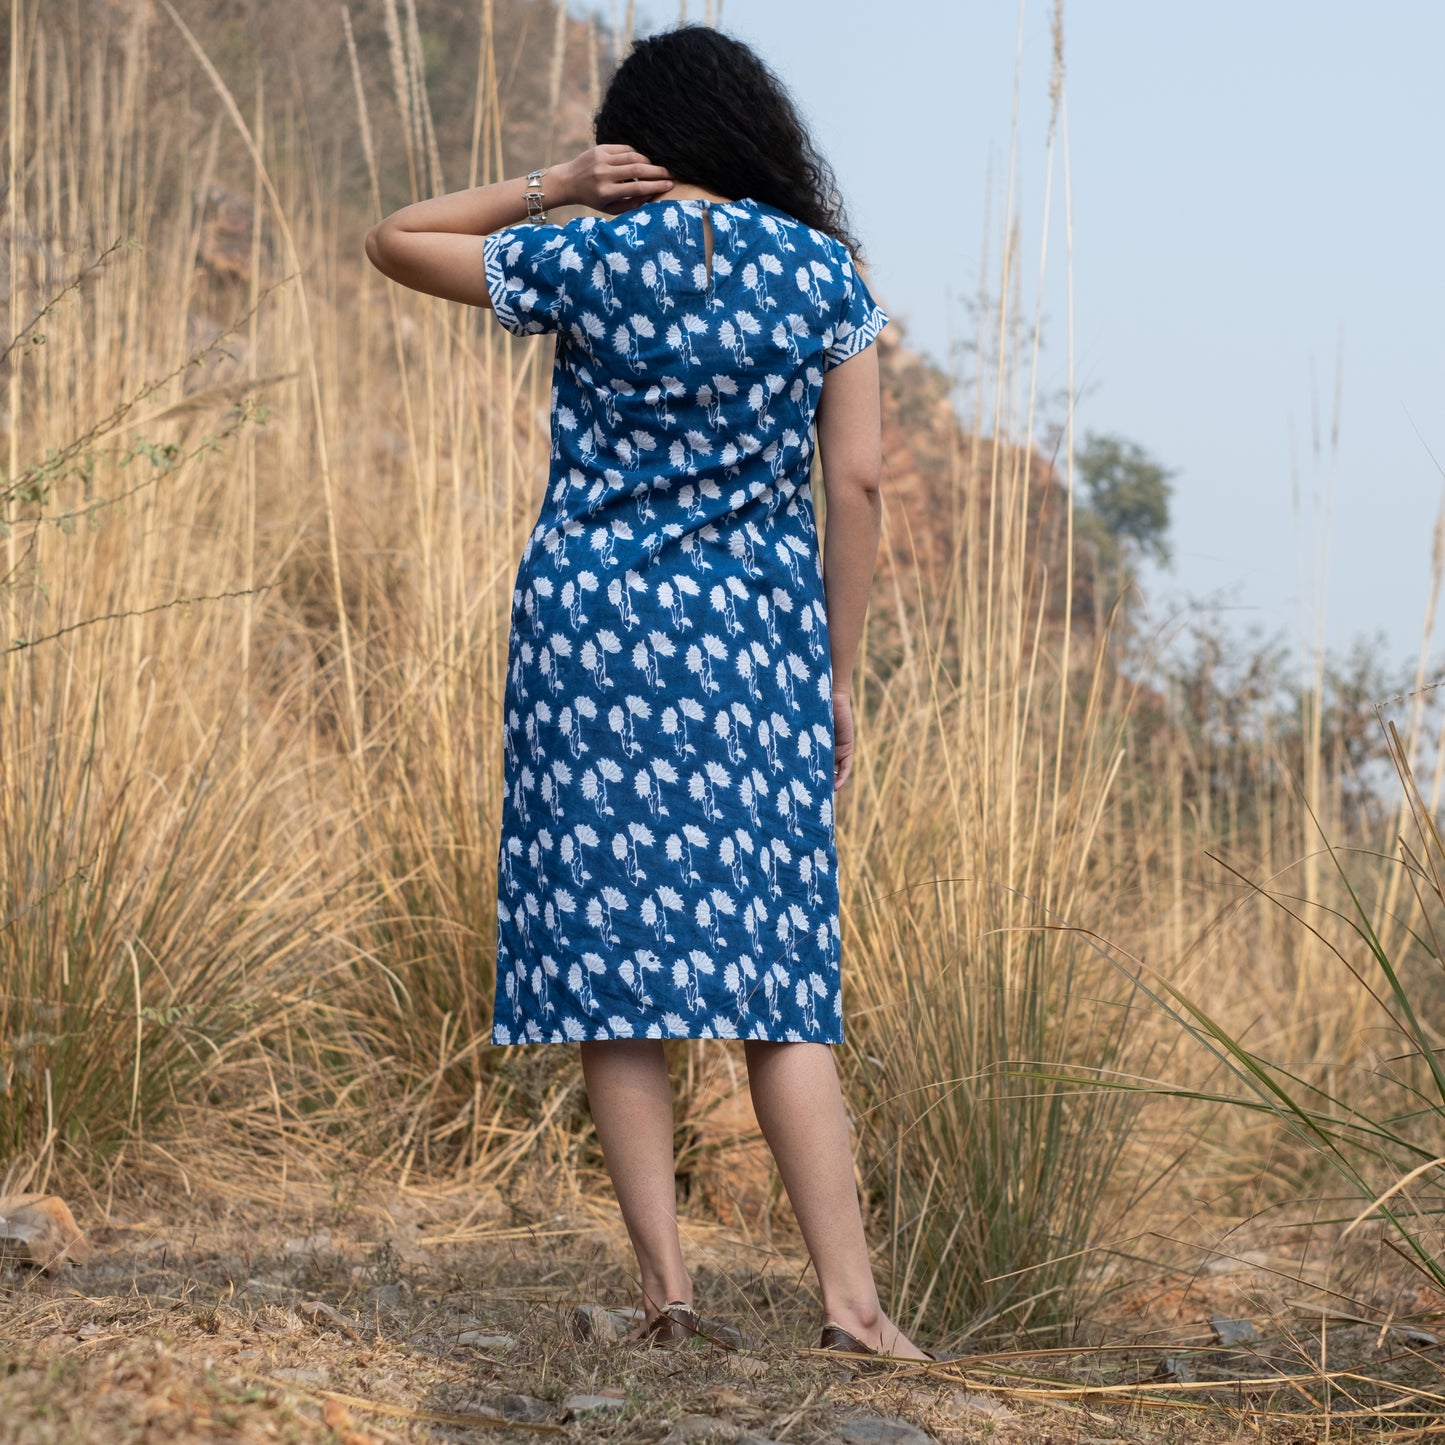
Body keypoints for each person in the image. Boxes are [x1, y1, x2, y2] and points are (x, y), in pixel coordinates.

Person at [365, 23, 934, 1360]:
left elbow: (394, 239)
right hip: (752, 655)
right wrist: (836, 674)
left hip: (593, 640)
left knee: (614, 967)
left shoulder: (585, 254)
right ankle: (851, 1305)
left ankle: (669, 1296)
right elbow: (855, 483)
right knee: (779, 979)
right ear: (752, 130)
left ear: (640, 142)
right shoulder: (826, 276)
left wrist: (555, 185)